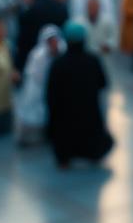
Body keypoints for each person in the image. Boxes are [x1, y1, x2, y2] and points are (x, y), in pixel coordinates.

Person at [45, 20, 113, 168]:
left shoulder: (58, 64)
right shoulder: (93, 61)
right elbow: (103, 84)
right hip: (89, 115)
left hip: (65, 120)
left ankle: (64, 160)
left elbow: (50, 95)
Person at [15, 23, 64, 146]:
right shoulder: (38, 55)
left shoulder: (63, 49)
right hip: (38, 88)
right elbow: (35, 74)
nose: (54, 43)